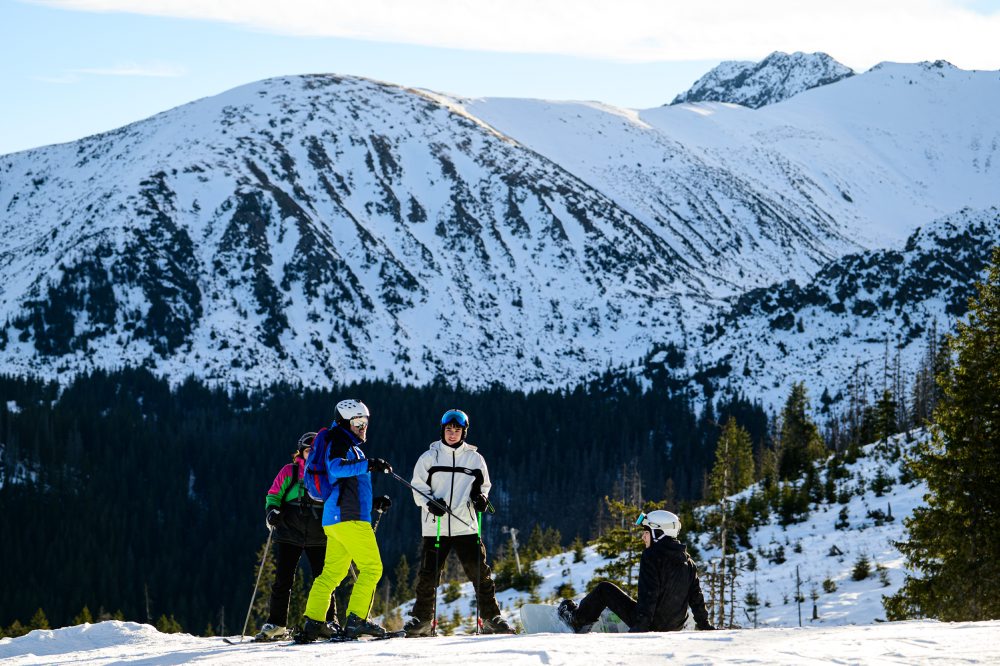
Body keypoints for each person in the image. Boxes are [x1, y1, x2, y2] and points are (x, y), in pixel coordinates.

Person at [403, 409, 514, 636]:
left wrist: (480, 499)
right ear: (442, 431)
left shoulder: (475, 459)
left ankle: (491, 618)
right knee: (429, 575)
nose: (452, 434)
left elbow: (484, 487)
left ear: (464, 432)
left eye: (457, 430)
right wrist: (430, 503)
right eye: (448, 430)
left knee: (480, 573)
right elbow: (418, 488)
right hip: (436, 526)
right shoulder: (429, 458)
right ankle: (422, 620)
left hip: (466, 525)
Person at [293, 399, 394, 643]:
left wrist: (373, 502)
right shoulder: (339, 440)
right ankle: (357, 621)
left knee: (331, 573)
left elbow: (348, 487)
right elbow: (336, 469)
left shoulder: (347, 443)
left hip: (336, 518)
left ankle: (314, 622)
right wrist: (369, 464)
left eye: (365, 421)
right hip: (349, 519)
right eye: (358, 422)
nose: (363, 426)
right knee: (372, 568)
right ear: (344, 422)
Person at [558, 510, 715, 633]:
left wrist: (639, 630)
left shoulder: (652, 555)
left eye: (646, 532)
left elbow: (650, 594)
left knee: (604, 589)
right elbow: (697, 599)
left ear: (658, 533)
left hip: (650, 625)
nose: (643, 537)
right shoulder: (688, 562)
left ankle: (576, 621)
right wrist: (705, 626)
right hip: (674, 628)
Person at [254, 432, 338, 641]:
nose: (312, 454)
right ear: (301, 452)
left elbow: (338, 498)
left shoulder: (327, 473)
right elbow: (273, 495)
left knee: (325, 580)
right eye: (309, 450)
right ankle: (276, 624)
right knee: (283, 579)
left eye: (316, 450)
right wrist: (272, 510)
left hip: (319, 534)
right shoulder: (289, 472)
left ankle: (327, 622)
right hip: (289, 532)